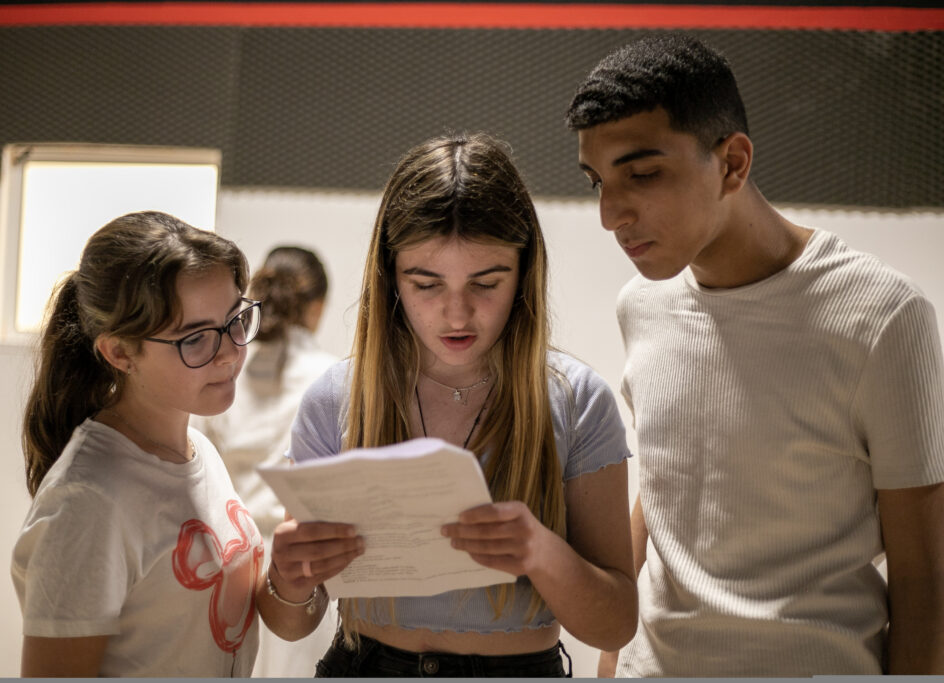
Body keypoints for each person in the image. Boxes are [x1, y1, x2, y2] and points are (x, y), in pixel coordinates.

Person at [565, 33, 944, 676]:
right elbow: (665, 488)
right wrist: (612, 658)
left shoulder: (884, 317)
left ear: (733, 163)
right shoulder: (642, 306)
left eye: (643, 174)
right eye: (597, 181)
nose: (610, 214)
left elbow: (926, 579)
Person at [259, 132, 638, 677]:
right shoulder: (336, 397)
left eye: (486, 283)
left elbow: (615, 625)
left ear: (524, 274)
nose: (456, 315)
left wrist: (541, 552)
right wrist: (289, 581)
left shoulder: (577, 400)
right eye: (426, 284)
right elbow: (291, 621)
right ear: (390, 277)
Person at [12, 211, 276, 676]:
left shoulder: (199, 451)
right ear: (119, 353)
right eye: (195, 339)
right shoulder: (88, 501)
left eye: (236, 319)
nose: (232, 352)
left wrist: (297, 573)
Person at [192, 245, 339, 677]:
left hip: (229, 557)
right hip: (303, 568)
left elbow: (196, 463)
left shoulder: (223, 368)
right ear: (318, 307)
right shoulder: (331, 377)